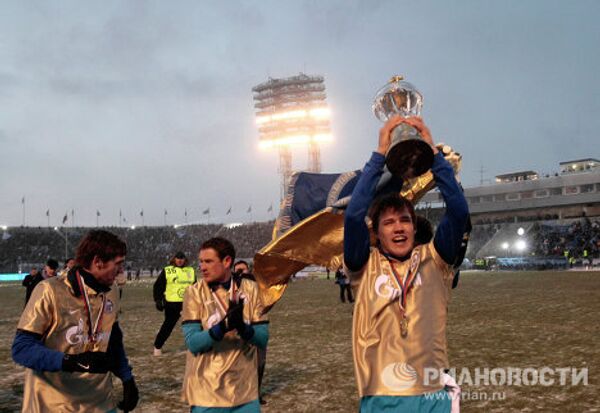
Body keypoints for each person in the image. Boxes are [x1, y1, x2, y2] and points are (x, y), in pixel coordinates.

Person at [344, 116, 469, 412]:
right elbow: (352, 216)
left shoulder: (435, 259)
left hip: (432, 391)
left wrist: (433, 153)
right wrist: (379, 154)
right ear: (376, 232)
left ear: (414, 227)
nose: (398, 228)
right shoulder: (364, 265)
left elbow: (459, 210)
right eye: (388, 222)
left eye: (404, 220)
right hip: (381, 392)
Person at [12, 230, 138, 413]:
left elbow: (113, 338)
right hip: (55, 404)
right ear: (98, 262)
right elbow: (21, 349)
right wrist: (70, 362)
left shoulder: (111, 291)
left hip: (100, 402)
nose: (122, 270)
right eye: (118, 264)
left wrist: (127, 378)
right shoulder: (49, 291)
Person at [181, 237, 269, 412]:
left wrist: (243, 328)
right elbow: (193, 343)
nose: (202, 267)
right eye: (201, 262)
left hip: (244, 391)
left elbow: (262, 339)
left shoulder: (251, 289)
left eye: (208, 261)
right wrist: (221, 328)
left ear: (227, 261)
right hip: (207, 392)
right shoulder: (194, 293)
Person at [233, 260, 268, 406]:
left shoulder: (257, 285)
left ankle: (256, 393)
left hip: (256, 326)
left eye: (243, 270)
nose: (241, 273)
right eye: (238, 270)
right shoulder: (230, 286)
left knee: (259, 363)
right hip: (237, 331)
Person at [152, 251, 196, 356]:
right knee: (168, 326)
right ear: (174, 259)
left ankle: (194, 346)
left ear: (185, 260)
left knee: (193, 326)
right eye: (178, 258)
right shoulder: (168, 270)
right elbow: (158, 286)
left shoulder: (190, 270)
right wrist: (158, 300)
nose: (180, 260)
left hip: (188, 303)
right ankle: (157, 346)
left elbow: (195, 287)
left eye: (182, 258)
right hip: (172, 304)